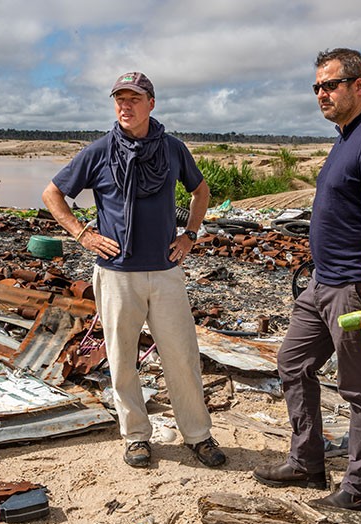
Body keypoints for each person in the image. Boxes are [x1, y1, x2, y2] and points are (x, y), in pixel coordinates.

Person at [42, 71, 225, 469]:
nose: (125, 106)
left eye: (134, 99)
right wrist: (83, 234)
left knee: (181, 356)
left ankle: (198, 435)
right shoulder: (100, 151)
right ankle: (136, 436)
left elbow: (201, 190)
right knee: (123, 360)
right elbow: (52, 193)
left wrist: (190, 234)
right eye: (119, 99)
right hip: (115, 274)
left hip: (164, 271)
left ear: (151, 104)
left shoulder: (173, 150)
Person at [252, 48, 361, 513]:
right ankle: (306, 462)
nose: (321, 93)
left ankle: (360, 490)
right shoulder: (345, 138)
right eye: (316, 86)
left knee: (359, 389)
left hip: (358, 289)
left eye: (330, 85)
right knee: (292, 363)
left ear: (359, 86)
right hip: (324, 283)